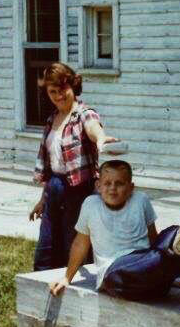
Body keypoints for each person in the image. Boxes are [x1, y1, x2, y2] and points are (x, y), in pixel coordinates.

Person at [48, 159, 180, 301]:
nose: (112, 188)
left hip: (149, 275)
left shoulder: (141, 200)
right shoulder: (91, 205)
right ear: (98, 186)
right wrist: (67, 278)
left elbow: (154, 239)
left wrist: (168, 277)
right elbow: (80, 244)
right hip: (119, 277)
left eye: (119, 183)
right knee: (122, 272)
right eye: (107, 183)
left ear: (131, 188)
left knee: (170, 233)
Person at [29, 62, 119, 271]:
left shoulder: (84, 113)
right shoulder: (52, 119)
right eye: (53, 91)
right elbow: (52, 166)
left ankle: (74, 296)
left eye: (63, 89)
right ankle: (42, 293)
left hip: (78, 193)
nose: (59, 96)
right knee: (46, 248)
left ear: (72, 86)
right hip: (54, 190)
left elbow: (93, 127)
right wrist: (42, 199)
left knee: (75, 248)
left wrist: (101, 139)